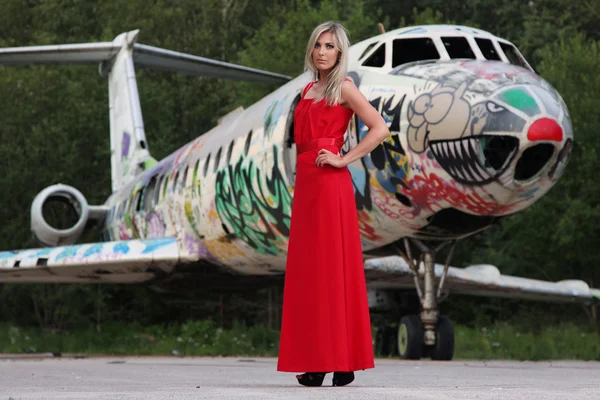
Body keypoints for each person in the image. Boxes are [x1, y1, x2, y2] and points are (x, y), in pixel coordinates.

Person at [277, 21, 390, 387]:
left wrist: (344, 159)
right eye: (317, 46)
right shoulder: (308, 88)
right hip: (307, 187)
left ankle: (339, 361)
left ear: (340, 52)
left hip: (330, 186)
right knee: (309, 275)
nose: (322, 51)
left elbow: (379, 128)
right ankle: (323, 360)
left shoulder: (344, 88)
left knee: (331, 271)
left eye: (329, 46)